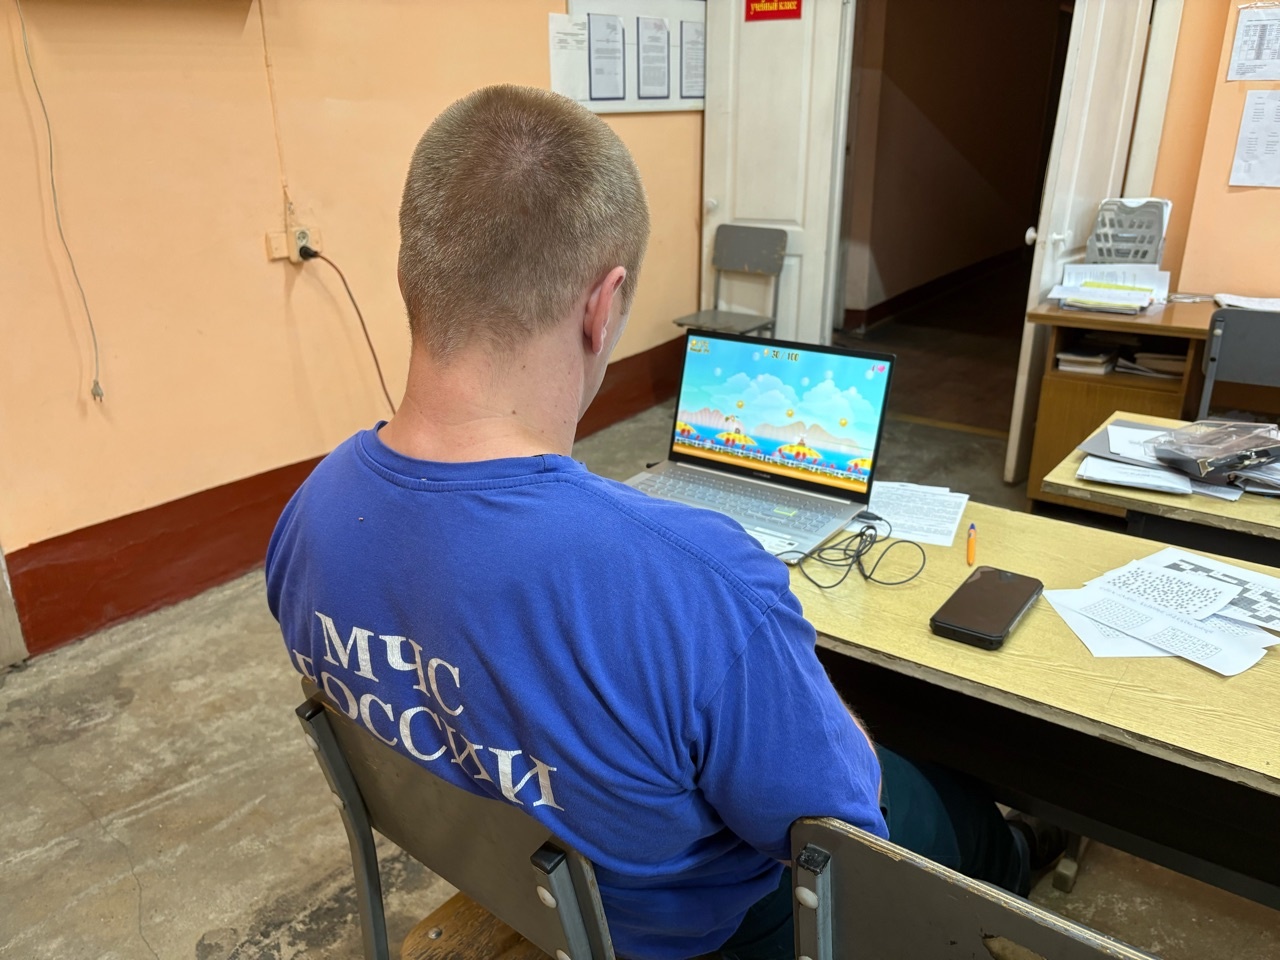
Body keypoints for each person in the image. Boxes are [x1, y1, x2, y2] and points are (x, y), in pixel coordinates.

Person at [266, 85, 1033, 960]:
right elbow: (838, 831)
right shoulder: (698, 582)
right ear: (603, 307)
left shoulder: (309, 513)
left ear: (414, 272)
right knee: (954, 806)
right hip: (703, 937)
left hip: (514, 882)